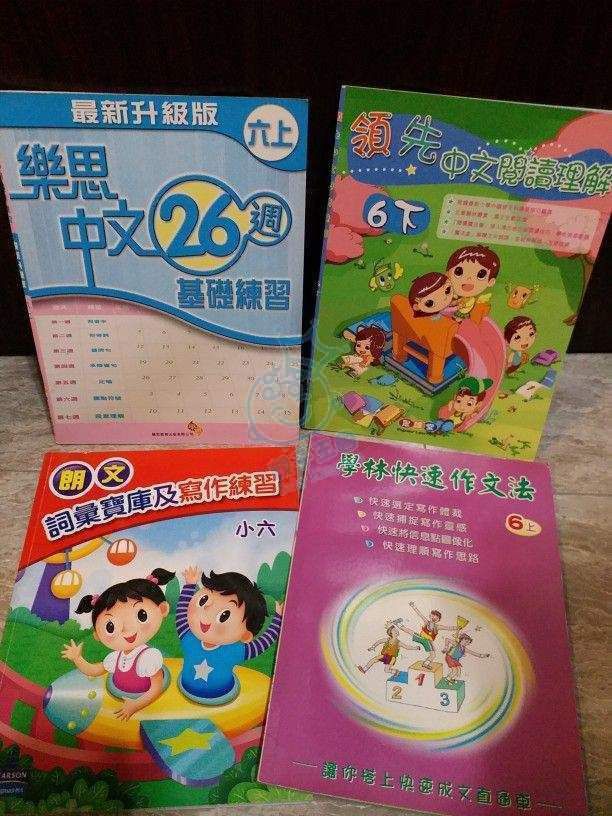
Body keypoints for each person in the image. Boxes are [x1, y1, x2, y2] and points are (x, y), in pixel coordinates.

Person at [62, 568, 175, 721]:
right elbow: (94, 670)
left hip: (143, 707)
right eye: (110, 627)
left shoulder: (149, 657)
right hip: (119, 701)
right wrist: (77, 658)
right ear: (98, 635)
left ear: (162, 609)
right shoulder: (115, 657)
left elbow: (156, 688)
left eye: (141, 615)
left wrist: (135, 705)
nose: (127, 630)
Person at [176, 566, 282, 705]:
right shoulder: (189, 638)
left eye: (224, 615)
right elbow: (181, 614)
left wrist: (278, 618)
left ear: (245, 636)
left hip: (222, 700)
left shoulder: (234, 651)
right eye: (203, 600)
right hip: (184, 690)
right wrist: (189, 586)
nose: (206, 610)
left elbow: (263, 642)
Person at [400, 376, 492, 435]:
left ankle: (440, 429)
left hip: (452, 424)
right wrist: (450, 406)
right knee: (440, 421)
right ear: (455, 397)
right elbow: (443, 412)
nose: (462, 406)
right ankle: (431, 426)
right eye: (459, 401)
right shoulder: (453, 407)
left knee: (447, 425)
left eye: (469, 404)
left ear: (477, 405)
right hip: (445, 420)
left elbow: (469, 421)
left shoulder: (469, 414)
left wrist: (471, 414)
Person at [399, 601, 459, 670]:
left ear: (438, 620)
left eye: (436, 618)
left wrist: (456, 628)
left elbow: (448, 628)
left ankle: (425, 664)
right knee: (411, 632)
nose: (434, 618)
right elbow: (420, 614)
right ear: (430, 616)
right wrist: (413, 606)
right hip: (423, 639)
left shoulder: (437, 627)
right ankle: (399, 624)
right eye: (433, 616)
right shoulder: (427, 622)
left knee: (433, 655)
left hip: (427, 641)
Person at [446, 245, 500, 321]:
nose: (469, 278)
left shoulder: (471, 300)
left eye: (481, 275)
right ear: (447, 275)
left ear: (490, 282)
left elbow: (465, 305)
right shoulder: (447, 295)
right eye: (459, 272)